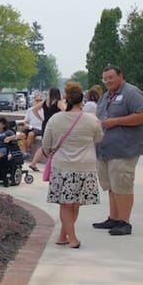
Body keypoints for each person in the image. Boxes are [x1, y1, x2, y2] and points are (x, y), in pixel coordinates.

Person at [42, 81, 103, 248]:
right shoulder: (92, 119)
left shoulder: (55, 119)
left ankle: (64, 235)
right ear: (81, 99)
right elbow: (99, 139)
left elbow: (46, 145)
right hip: (86, 166)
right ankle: (71, 237)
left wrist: (53, 154)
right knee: (74, 203)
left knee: (66, 203)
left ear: (66, 98)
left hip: (62, 166)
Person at [92, 65, 143, 236]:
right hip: (105, 149)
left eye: (111, 77)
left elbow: (142, 115)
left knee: (122, 185)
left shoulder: (132, 93)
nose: (108, 81)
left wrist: (116, 121)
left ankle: (125, 222)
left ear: (120, 76)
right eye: (105, 78)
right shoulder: (105, 97)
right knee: (111, 185)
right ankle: (114, 218)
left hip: (124, 149)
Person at [29, 87, 66, 171]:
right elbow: (66, 111)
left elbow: (34, 109)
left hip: (45, 124)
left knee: (44, 145)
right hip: (55, 124)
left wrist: (41, 119)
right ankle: (52, 165)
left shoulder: (46, 101)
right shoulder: (59, 102)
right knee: (56, 145)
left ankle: (33, 163)